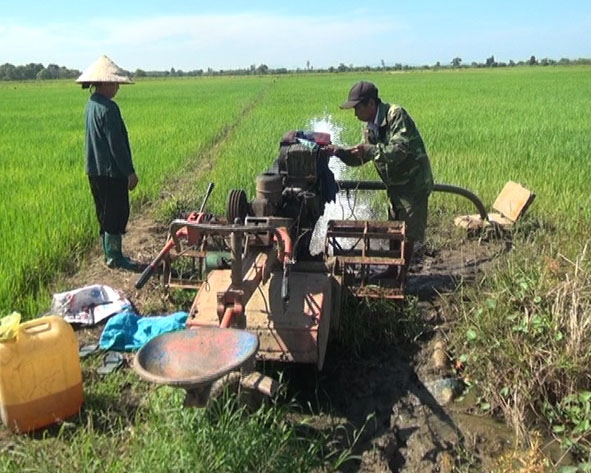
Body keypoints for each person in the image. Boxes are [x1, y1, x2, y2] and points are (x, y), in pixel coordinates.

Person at [329, 81, 434, 283]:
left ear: (370, 104)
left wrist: (369, 150)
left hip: (413, 183)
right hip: (394, 185)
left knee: (408, 232)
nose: (355, 114)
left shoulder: (395, 115)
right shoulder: (371, 128)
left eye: (357, 108)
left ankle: (400, 276)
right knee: (394, 228)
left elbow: (400, 150)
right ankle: (391, 269)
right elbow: (363, 157)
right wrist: (340, 153)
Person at [76, 55, 142, 270]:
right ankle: (115, 257)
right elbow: (117, 146)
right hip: (111, 172)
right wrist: (130, 172)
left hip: (93, 169)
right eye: (114, 83)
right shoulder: (109, 108)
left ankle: (109, 255)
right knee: (116, 214)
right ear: (104, 83)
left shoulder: (91, 104)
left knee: (103, 213)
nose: (117, 88)